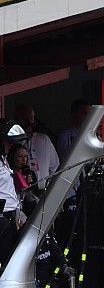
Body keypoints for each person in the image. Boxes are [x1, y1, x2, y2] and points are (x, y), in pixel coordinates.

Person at [1, 120, 28, 267]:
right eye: (9, 142)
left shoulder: (5, 159)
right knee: (6, 257)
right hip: (2, 215)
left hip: (13, 213)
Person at [14, 103, 59, 190]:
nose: (29, 122)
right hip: (22, 193)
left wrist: (50, 188)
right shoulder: (13, 143)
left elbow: (55, 166)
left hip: (44, 193)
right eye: (25, 119)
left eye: (31, 118)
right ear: (18, 120)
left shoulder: (44, 139)